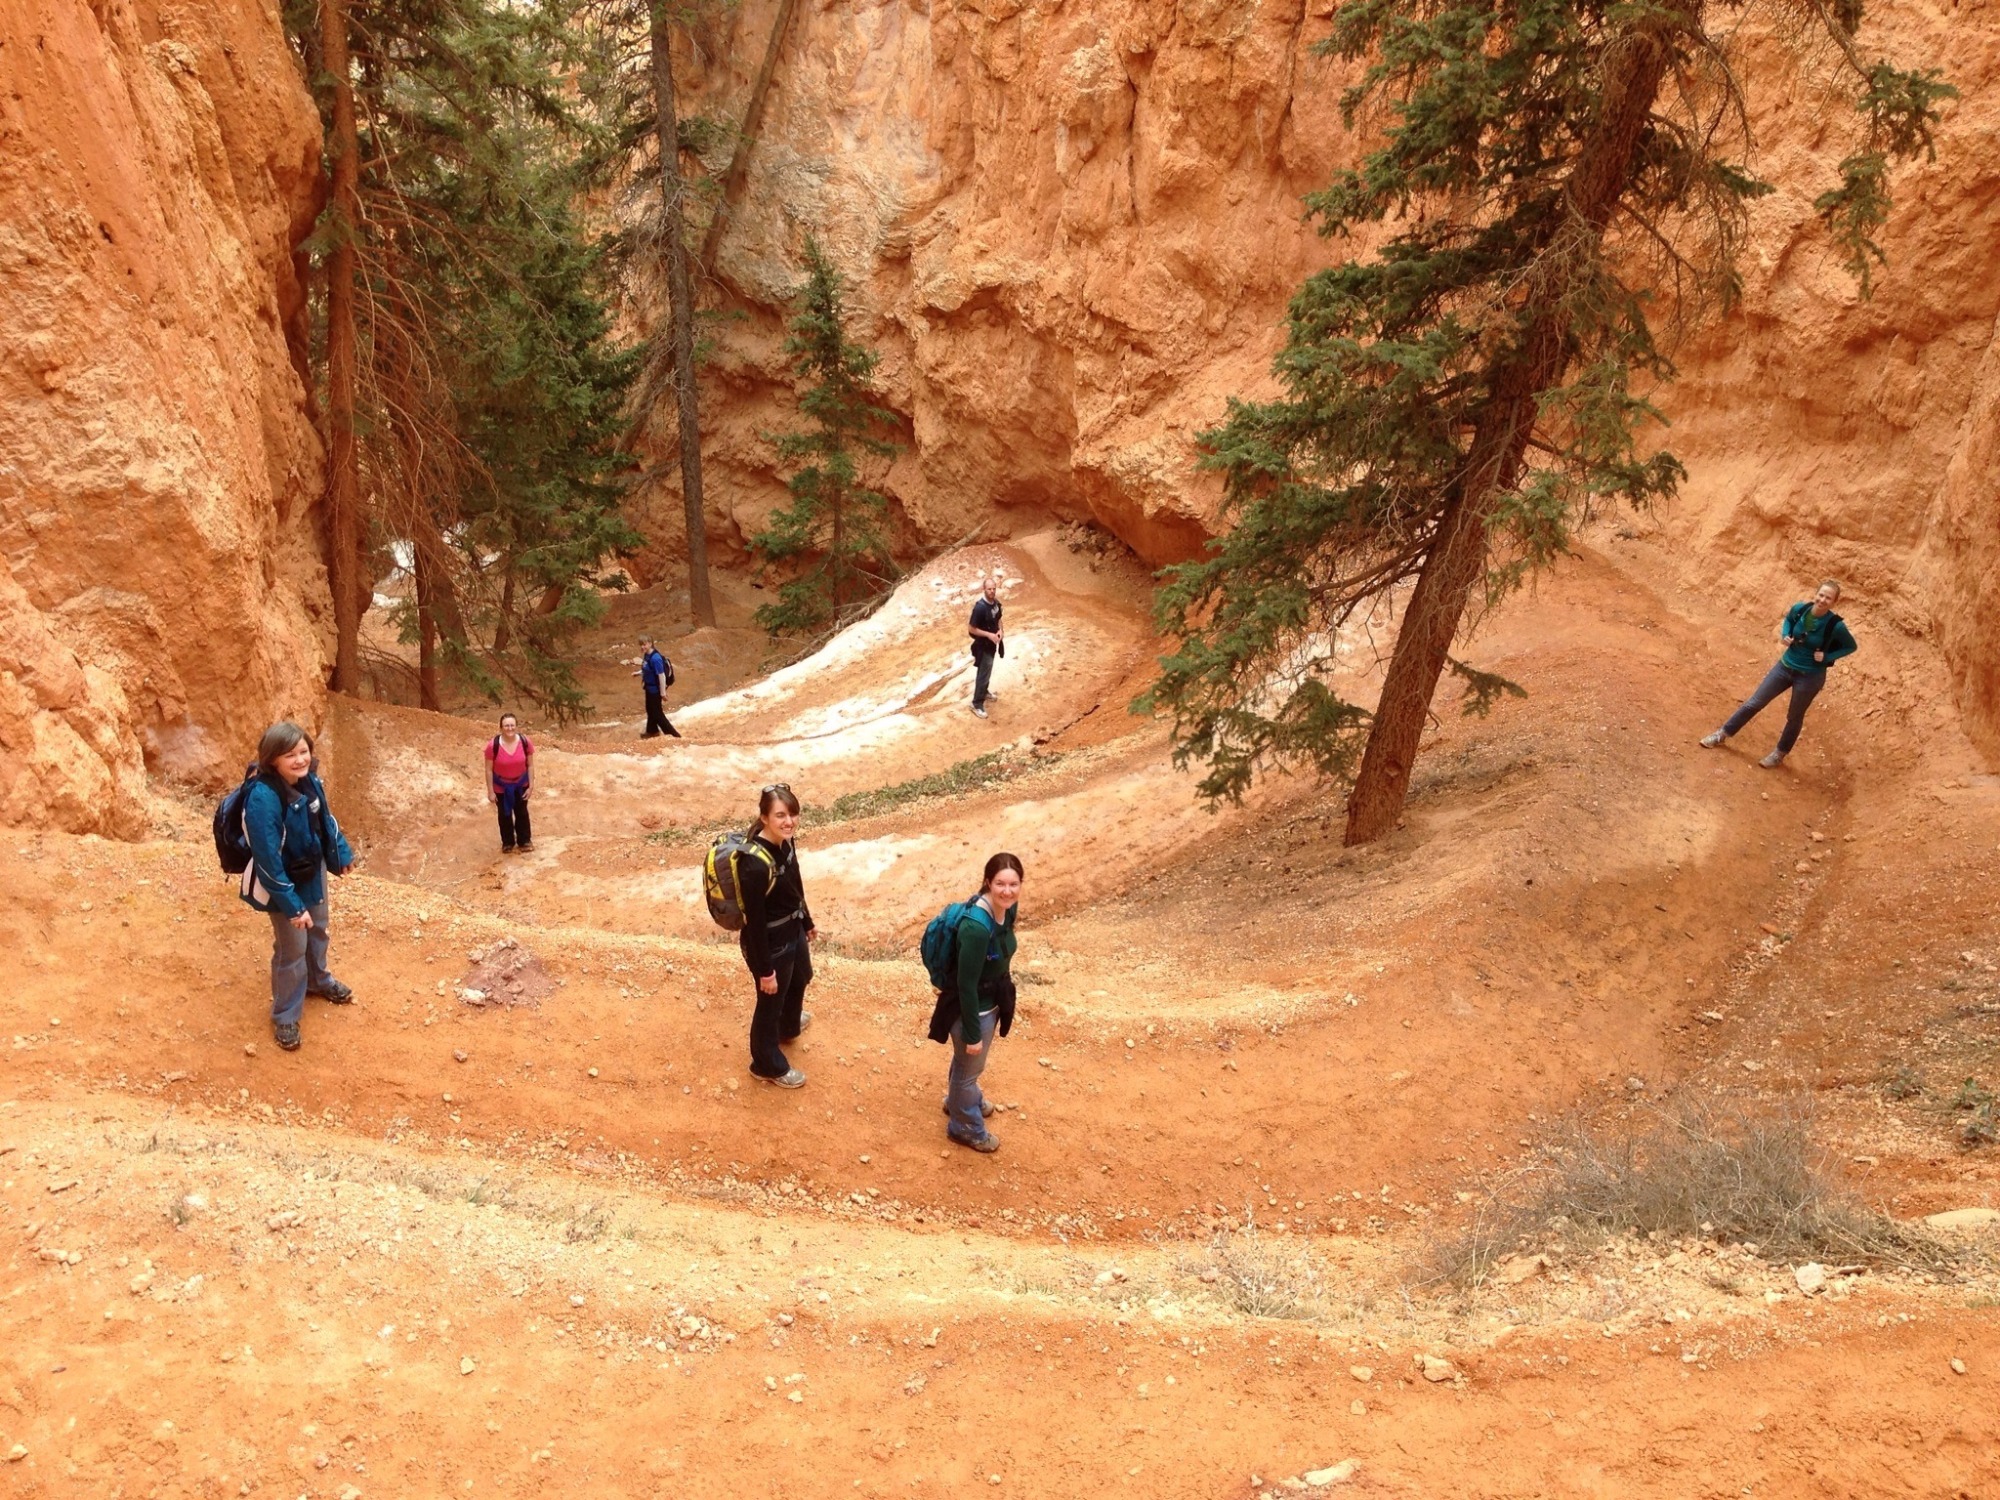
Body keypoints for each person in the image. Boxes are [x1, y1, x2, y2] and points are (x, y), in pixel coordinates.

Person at [238, 722, 356, 1052]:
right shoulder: (262, 799)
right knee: (292, 947)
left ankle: (318, 981)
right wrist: (293, 907)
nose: (300, 759)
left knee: (318, 928)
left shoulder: (309, 780)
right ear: (272, 759)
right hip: (282, 882)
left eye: (304, 751)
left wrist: (341, 853)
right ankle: (286, 1014)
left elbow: (326, 821)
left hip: (311, 869)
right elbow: (267, 861)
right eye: (290, 755)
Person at [1700, 580, 1857, 767]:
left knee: (1794, 717)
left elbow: (1850, 646)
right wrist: (1785, 634)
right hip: (1784, 667)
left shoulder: (1835, 625)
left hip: (1810, 677)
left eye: (1828, 598)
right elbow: (1789, 620)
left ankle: (1779, 754)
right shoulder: (1801, 609)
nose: (1823, 600)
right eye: (1821, 595)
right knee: (1754, 702)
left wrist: (1827, 657)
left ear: (1834, 602)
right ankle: (1722, 734)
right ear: (1816, 594)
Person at [927, 853, 1023, 1153]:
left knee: (966, 1066)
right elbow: (966, 985)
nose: (1007, 891)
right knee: (968, 1071)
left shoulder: (1007, 909)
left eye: (1013, 884)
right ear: (987, 882)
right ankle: (964, 1127)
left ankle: (959, 1101)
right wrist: (971, 1033)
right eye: (1000, 884)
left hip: (989, 1001)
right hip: (972, 1009)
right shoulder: (977, 928)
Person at [738, 783, 816, 1088]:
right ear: (764, 818)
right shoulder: (754, 864)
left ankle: (788, 1025)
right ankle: (765, 1064)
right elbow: (755, 925)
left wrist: (806, 920)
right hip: (771, 943)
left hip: (792, 928)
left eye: (793, 814)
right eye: (781, 815)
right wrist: (765, 971)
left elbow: (795, 881)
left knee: (801, 976)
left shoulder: (786, 841)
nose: (789, 821)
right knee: (769, 1001)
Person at [484, 713, 534, 853]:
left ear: (516, 726)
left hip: (521, 784)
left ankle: (524, 841)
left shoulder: (525, 742)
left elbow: (530, 765)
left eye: (512, 725)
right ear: (501, 727)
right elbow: (488, 770)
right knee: (504, 814)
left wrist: (531, 786)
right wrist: (490, 791)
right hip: (501, 787)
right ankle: (507, 842)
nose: (509, 728)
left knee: (521, 812)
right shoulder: (492, 746)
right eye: (506, 725)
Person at [967, 575, 1004, 719]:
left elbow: (999, 619)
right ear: (984, 589)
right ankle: (976, 704)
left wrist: (1000, 631)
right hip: (983, 645)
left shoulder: (995, 603)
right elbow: (971, 628)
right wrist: (989, 635)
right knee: (983, 672)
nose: (992, 591)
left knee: (987, 670)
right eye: (989, 589)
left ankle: (984, 691)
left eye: (994, 589)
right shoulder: (980, 608)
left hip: (992, 644)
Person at [634, 636, 681, 739]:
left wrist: (662, 693)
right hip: (648, 688)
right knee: (650, 709)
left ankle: (674, 736)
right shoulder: (647, 655)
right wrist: (638, 673)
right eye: (641, 645)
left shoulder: (656, 658)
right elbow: (648, 669)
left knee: (657, 714)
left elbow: (661, 675)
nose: (642, 647)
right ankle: (652, 731)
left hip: (655, 690)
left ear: (650, 643)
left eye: (644, 644)